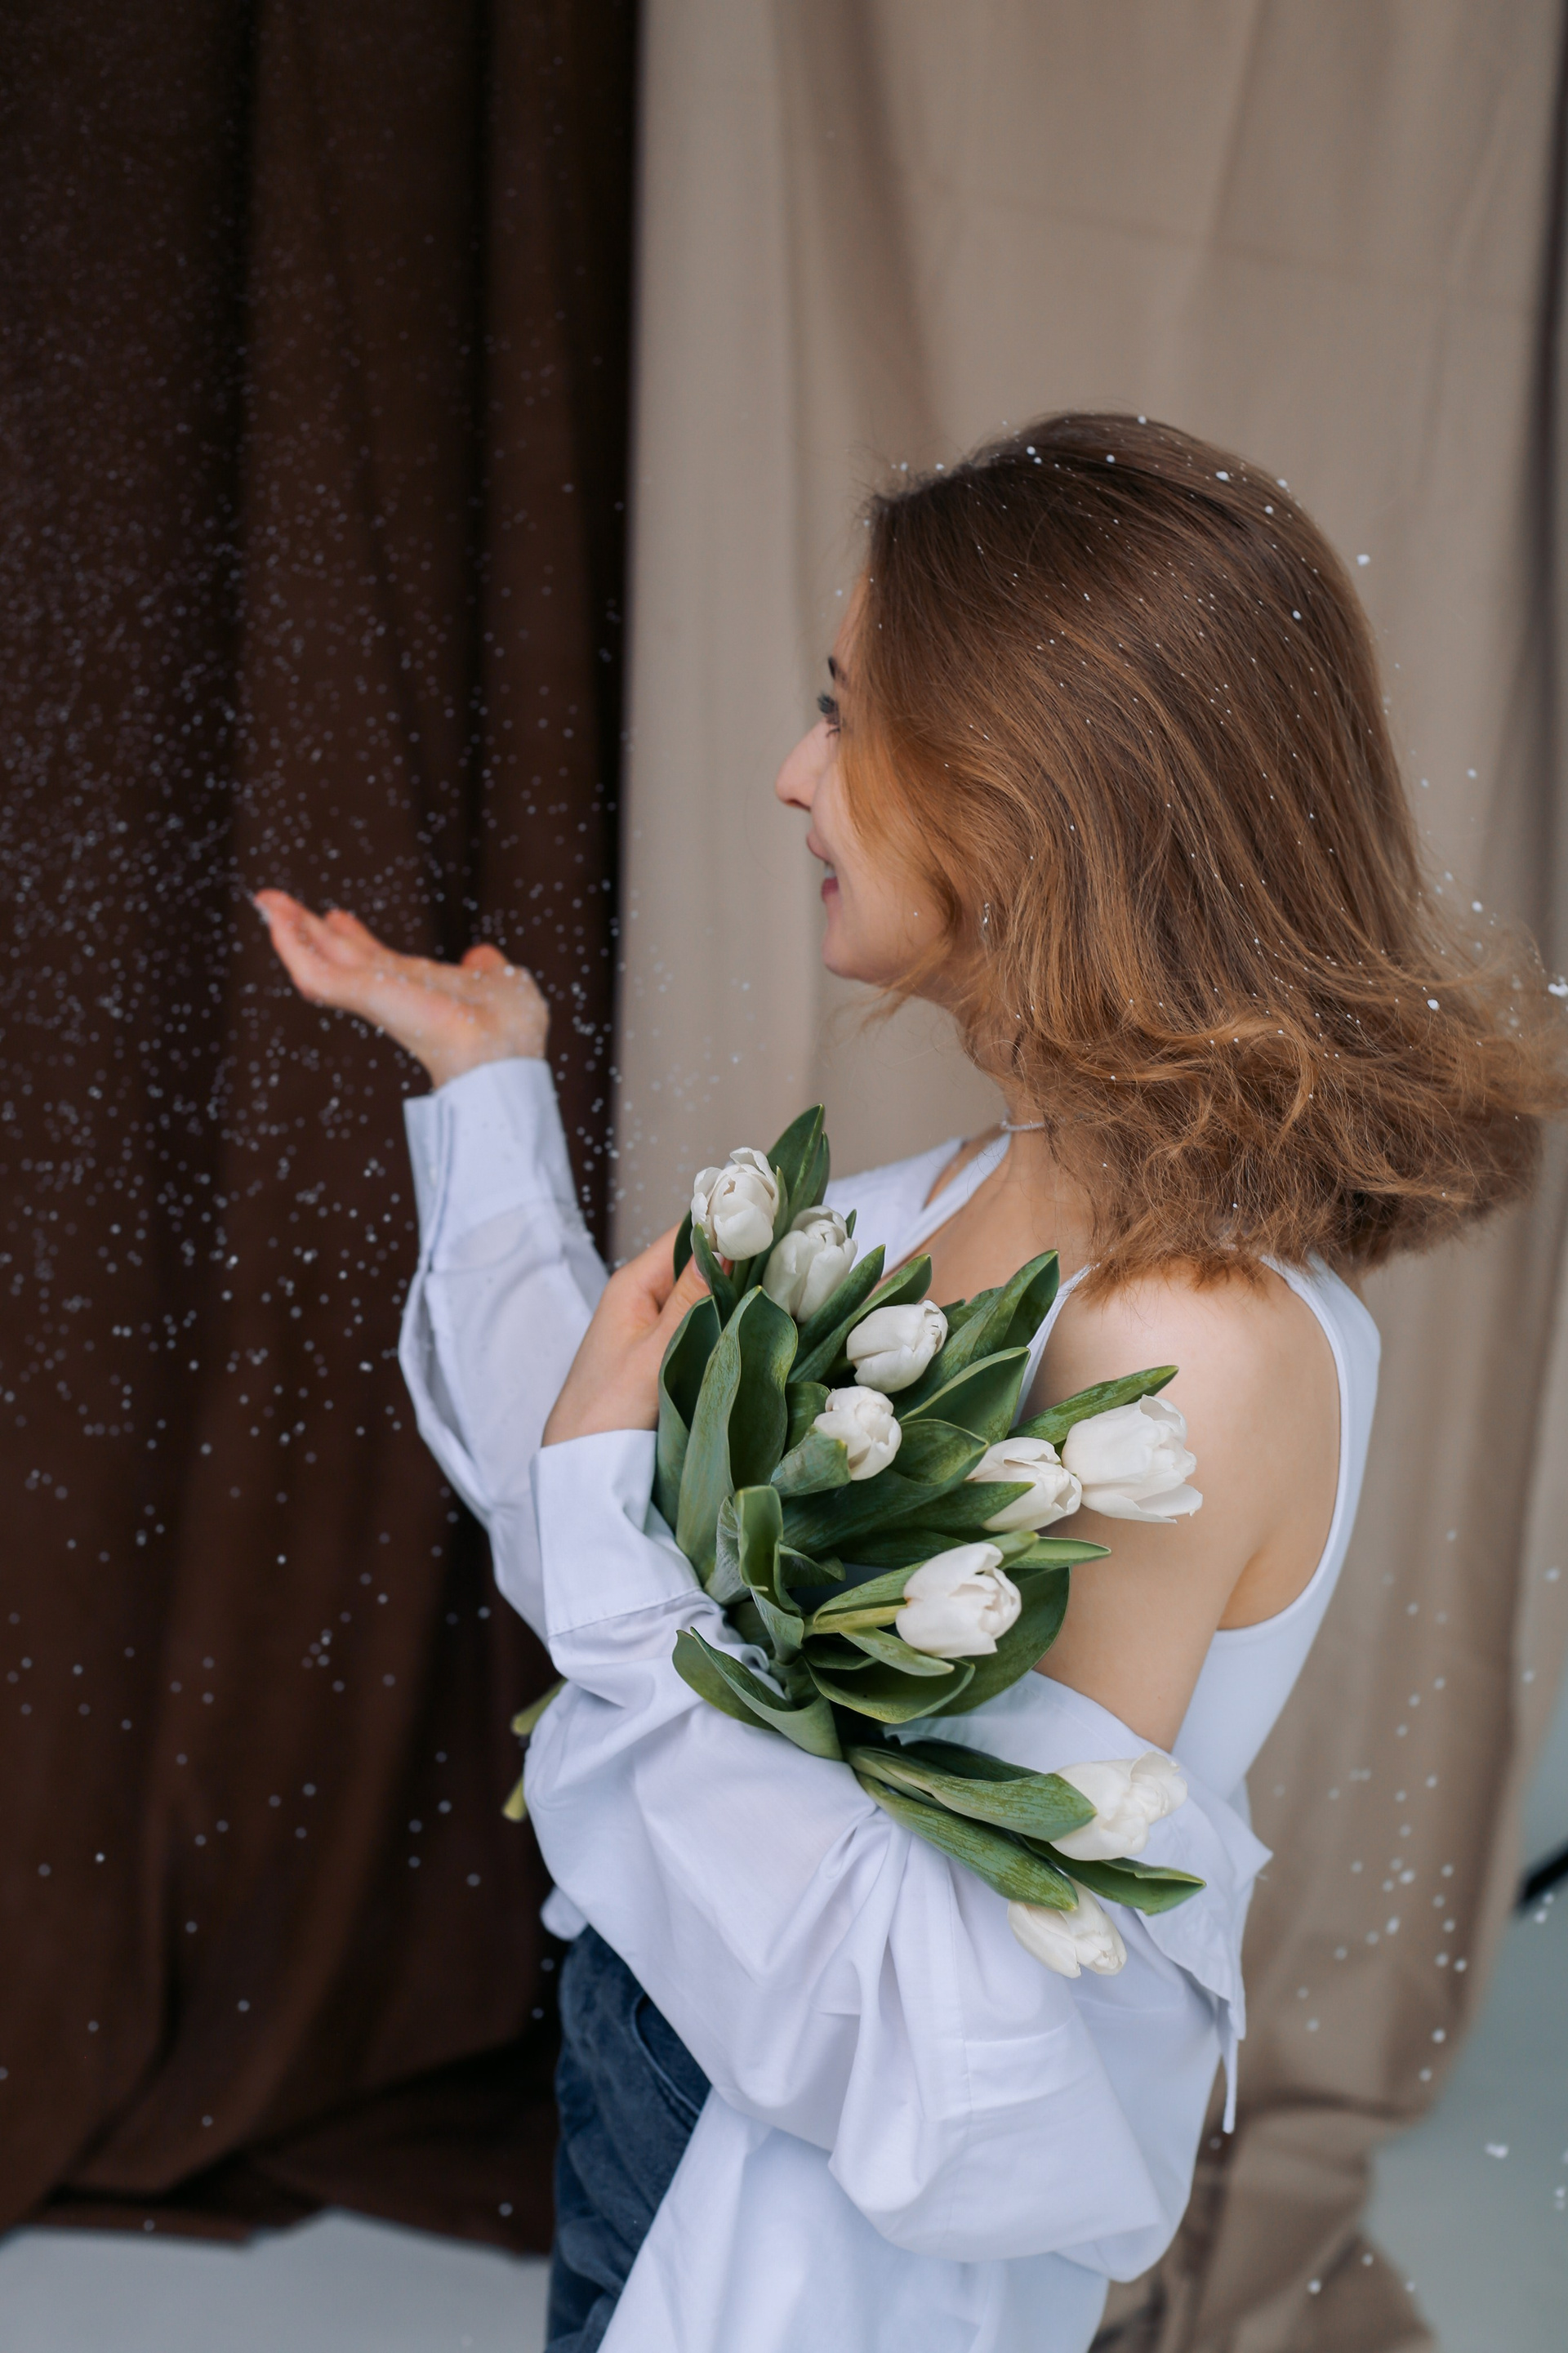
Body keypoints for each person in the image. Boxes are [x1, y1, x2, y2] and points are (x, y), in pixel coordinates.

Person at [259, 414, 1563, 2353]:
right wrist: (487, 1089)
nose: (796, 776)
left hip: (807, 2264)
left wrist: (618, 1576)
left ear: (1028, 797)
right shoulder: (929, 1200)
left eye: (845, 714)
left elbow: (964, 2058)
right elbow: (597, 1494)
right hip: (654, 2115)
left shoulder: (1186, 1360)